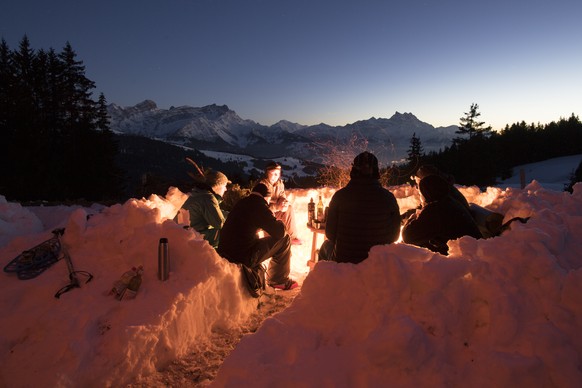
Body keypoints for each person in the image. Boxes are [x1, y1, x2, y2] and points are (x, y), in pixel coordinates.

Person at [318, 151, 401, 264]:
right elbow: (395, 237)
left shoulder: (340, 196)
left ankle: (325, 280)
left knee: (325, 247)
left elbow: (330, 235)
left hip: (344, 261)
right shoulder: (388, 198)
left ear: (353, 170)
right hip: (377, 261)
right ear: (376, 171)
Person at [217, 183, 298, 290]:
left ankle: (276, 278)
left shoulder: (243, 202)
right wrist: (280, 222)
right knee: (284, 239)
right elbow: (279, 232)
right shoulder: (259, 206)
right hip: (243, 256)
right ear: (267, 197)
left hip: (226, 252)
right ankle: (279, 280)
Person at [402, 174, 482, 255]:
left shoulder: (436, 210)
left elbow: (407, 237)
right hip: (474, 251)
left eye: (420, 194)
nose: (420, 197)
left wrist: (412, 218)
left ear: (426, 193)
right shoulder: (447, 201)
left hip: (467, 259)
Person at [181, 170, 230, 248]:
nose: (225, 189)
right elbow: (219, 223)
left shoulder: (199, 193)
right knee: (228, 232)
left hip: (185, 234)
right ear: (218, 185)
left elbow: (214, 212)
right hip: (193, 238)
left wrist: (233, 215)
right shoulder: (208, 198)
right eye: (225, 186)